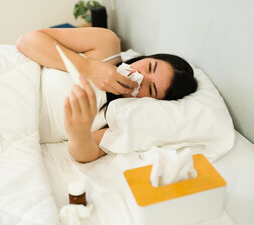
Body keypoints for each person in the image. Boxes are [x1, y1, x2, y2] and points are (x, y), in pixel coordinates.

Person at [16, 27, 197, 163]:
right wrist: (88, 67)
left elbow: (84, 154)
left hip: (17, 127)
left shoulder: (120, 118)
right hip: (14, 81)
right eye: (149, 67)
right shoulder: (106, 45)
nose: (141, 78)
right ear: (147, 57)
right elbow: (26, 41)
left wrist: (79, 133)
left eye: (150, 89)